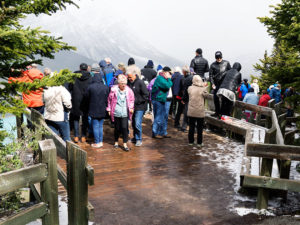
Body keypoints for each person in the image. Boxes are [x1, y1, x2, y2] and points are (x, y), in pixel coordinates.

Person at [107, 75, 135, 151]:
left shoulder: (129, 91)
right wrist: (109, 109)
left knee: (125, 128)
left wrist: (131, 107)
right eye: (122, 83)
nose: (123, 85)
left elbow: (132, 100)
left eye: (124, 83)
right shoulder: (113, 90)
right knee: (117, 128)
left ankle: (125, 143)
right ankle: (116, 142)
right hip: (116, 111)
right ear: (118, 83)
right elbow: (109, 100)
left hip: (125, 112)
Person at [43, 68, 72, 142]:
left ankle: (54, 152)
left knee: (53, 137)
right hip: (60, 116)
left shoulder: (45, 89)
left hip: (49, 116)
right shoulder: (61, 89)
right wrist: (69, 108)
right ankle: (67, 152)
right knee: (66, 138)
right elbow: (67, 103)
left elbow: (43, 101)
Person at [69, 63, 92, 143]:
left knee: (76, 118)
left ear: (80, 68)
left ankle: (76, 136)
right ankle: (83, 136)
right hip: (86, 99)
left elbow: (70, 87)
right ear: (87, 68)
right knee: (85, 118)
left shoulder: (74, 76)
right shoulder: (90, 77)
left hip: (76, 99)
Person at [85, 73, 109, 148]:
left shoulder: (90, 87)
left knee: (95, 126)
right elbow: (108, 97)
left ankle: (97, 142)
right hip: (103, 108)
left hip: (93, 108)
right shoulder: (105, 87)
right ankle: (101, 141)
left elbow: (86, 97)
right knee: (100, 126)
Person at [183, 75, 207, 147]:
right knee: (200, 128)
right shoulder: (203, 89)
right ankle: (199, 143)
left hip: (191, 111)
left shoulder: (190, 88)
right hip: (199, 111)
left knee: (191, 127)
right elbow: (206, 96)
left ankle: (191, 141)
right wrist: (204, 86)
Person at [127, 71, 149, 147]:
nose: (129, 79)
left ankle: (139, 139)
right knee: (133, 123)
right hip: (132, 107)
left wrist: (137, 101)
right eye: (128, 77)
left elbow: (146, 95)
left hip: (140, 106)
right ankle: (135, 137)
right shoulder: (129, 83)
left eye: (130, 77)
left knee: (137, 123)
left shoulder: (140, 82)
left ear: (135, 75)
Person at [151, 66, 173, 138]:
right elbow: (167, 86)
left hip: (160, 99)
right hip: (158, 100)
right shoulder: (160, 78)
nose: (170, 75)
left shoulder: (161, 78)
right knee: (158, 117)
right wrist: (169, 79)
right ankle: (155, 133)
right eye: (169, 73)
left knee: (161, 117)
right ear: (166, 73)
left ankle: (160, 132)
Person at [209, 51, 231, 117]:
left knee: (224, 99)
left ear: (221, 57)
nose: (218, 59)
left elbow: (230, 72)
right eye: (217, 58)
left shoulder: (226, 63)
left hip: (224, 84)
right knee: (216, 98)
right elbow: (210, 76)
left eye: (220, 57)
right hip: (216, 84)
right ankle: (217, 112)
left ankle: (222, 113)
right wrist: (212, 83)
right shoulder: (212, 65)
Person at [175, 65, 192, 131]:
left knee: (180, 111)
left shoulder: (183, 78)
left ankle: (179, 124)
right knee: (184, 112)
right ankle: (183, 125)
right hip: (187, 97)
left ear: (184, 71)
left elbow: (183, 89)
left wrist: (182, 98)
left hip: (182, 97)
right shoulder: (190, 77)